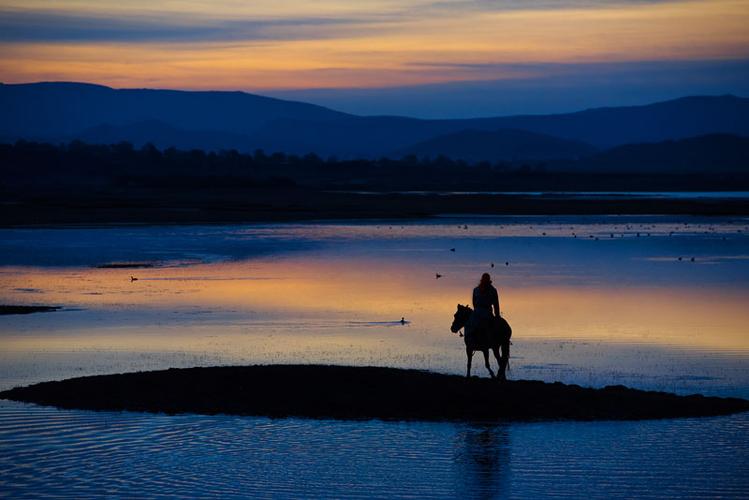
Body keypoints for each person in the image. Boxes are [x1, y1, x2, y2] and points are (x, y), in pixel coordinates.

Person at [471, 273, 510, 380]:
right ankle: (472, 342)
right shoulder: (477, 290)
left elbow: (496, 306)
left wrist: (497, 317)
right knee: (469, 326)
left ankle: (481, 342)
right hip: (479, 312)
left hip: (486, 313)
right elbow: (474, 303)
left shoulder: (492, 291)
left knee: (485, 327)